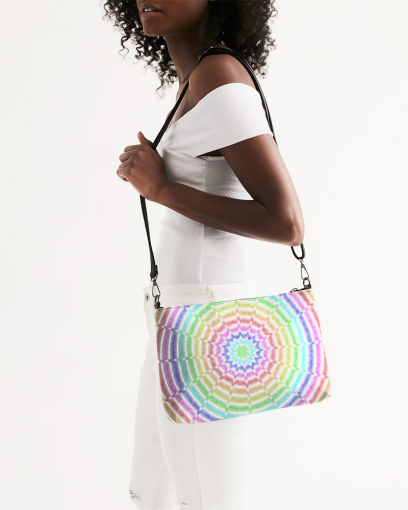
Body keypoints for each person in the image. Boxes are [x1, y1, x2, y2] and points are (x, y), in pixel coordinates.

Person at [104, 1, 305, 508]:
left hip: (207, 324)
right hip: (179, 318)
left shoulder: (218, 75)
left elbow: (287, 222)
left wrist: (161, 189)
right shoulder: (198, 75)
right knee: (150, 491)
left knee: (208, 499)